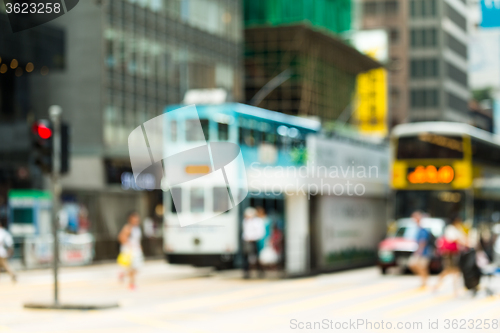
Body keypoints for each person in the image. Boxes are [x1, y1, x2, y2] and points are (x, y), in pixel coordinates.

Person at [433, 215, 468, 295]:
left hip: (454, 253)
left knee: (455, 270)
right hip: (449, 254)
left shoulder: (456, 229)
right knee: (450, 270)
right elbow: (455, 239)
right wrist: (466, 244)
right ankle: (438, 286)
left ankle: (455, 290)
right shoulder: (451, 229)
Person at [118, 211, 143, 290]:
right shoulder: (128, 228)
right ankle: (132, 283)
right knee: (132, 268)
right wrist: (129, 245)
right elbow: (121, 237)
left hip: (136, 250)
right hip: (130, 251)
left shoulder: (137, 228)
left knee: (136, 268)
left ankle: (123, 274)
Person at [408, 211, 431, 288]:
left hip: (423, 252)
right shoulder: (415, 228)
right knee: (418, 266)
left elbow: (422, 242)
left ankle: (424, 281)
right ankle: (423, 280)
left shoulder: (422, 229)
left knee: (420, 266)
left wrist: (418, 252)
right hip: (419, 251)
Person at [242, 207, 265, 279]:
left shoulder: (258, 221)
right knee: (245, 258)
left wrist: (253, 238)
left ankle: (260, 272)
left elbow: (260, 232)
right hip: (247, 241)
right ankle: (246, 273)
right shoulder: (245, 221)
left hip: (255, 241)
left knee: (257, 257)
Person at [0, 218, 16, 283]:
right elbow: (10, 243)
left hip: (1, 252)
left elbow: (9, 243)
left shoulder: (2, 232)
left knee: (5, 265)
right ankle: (13, 274)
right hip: (3, 252)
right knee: (5, 265)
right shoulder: (5, 232)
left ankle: (13, 274)